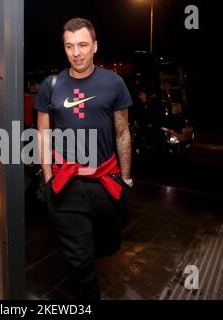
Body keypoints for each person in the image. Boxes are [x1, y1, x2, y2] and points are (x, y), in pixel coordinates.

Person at [35, 18, 133, 300]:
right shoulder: (51, 85)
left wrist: (125, 179)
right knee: (80, 263)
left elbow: (123, 132)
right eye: (69, 46)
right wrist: (49, 177)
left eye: (82, 45)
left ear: (95, 46)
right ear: (64, 48)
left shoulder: (113, 82)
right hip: (66, 185)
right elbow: (43, 135)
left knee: (109, 245)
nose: (76, 52)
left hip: (105, 182)